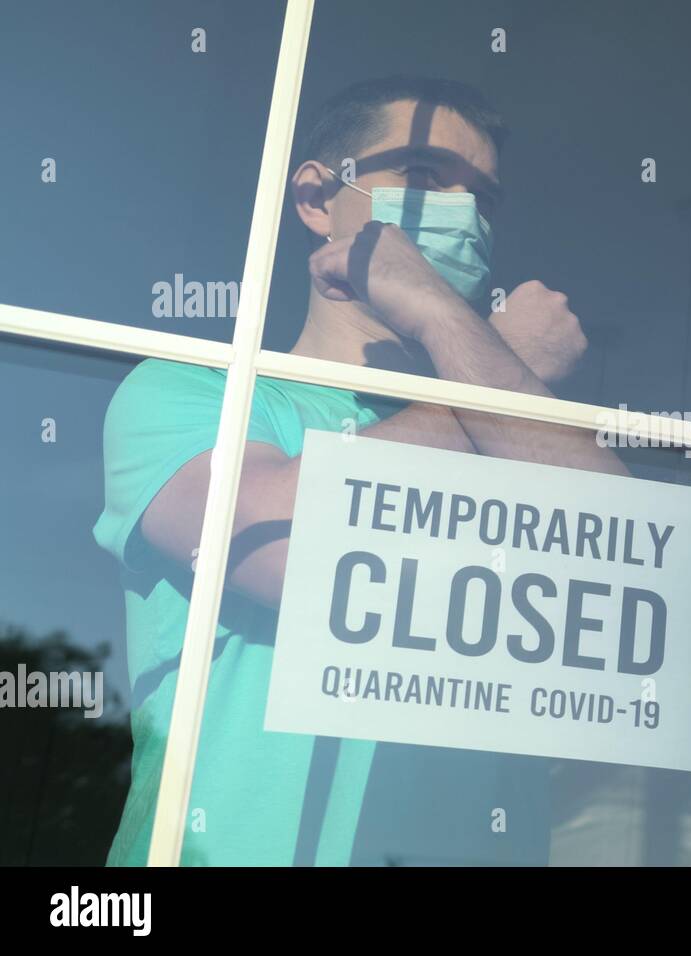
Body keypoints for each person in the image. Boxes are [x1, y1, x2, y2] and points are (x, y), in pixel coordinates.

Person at [93, 75, 624, 865]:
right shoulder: (200, 388)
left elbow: (625, 563)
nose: (463, 212)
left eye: (483, 197)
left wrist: (456, 335)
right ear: (316, 198)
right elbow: (280, 552)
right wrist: (499, 368)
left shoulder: (516, 428)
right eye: (421, 175)